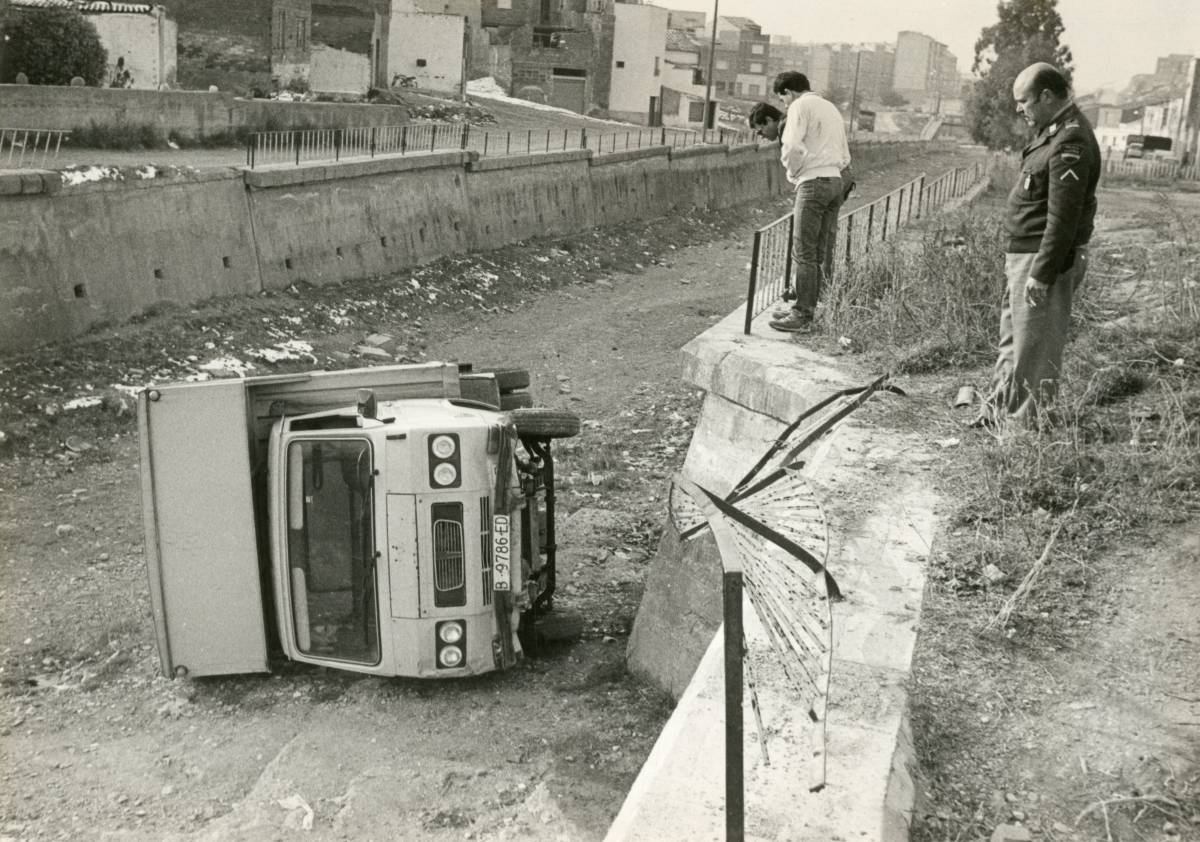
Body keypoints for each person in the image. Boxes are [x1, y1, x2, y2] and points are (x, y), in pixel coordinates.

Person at [976, 62, 1100, 429]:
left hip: (1041, 262)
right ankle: (999, 414)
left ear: (1047, 96)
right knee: (1014, 344)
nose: (1020, 108)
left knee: (1036, 351)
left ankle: (1022, 435)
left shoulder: (1071, 140)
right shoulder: (1053, 132)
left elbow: (1062, 220)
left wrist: (1042, 275)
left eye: (1024, 100)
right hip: (1024, 258)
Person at [768, 71, 852, 333]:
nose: (785, 105)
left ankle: (802, 314)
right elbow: (846, 155)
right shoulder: (831, 108)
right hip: (835, 181)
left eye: (783, 100)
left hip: (813, 182)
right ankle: (809, 306)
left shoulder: (799, 106)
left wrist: (793, 173)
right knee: (819, 250)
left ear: (788, 93)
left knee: (803, 251)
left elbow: (791, 145)